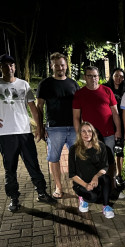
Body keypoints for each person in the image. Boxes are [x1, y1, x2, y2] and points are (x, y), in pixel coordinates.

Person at [0, 54, 56, 211]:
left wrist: (39, 127)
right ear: (0, 68)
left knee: (33, 164)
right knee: (10, 168)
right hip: (5, 134)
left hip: (24, 132)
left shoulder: (23, 84)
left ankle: (42, 192)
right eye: (5, 65)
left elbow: (33, 108)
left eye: (11, 65)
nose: (9, 68)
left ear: (15, 67)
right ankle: (14, 198)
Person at [36, 52, 80, 199]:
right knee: (54, 158)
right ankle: (58, 187)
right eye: (56, 65)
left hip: (73, 128)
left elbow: (80, 106)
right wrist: (40, 127)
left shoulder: (73, 84)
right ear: (51, 66)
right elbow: (39, 106)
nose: (60, 68)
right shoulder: (45, 84)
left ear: (66, 65)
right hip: (54, 128)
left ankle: (78, 186)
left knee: (76, 158)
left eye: (62, 65)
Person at [68, 122, 114, 218]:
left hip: (95, 180)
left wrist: (96, 176)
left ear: (93, 133)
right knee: (93, 197)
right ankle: (82, 199)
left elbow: (105, 167)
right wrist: (85, 185)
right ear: (79, 134)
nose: (86, 134)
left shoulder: (101, 146)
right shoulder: (73, 149)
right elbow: (72, 174)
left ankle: (106, 206)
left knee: (106, 178)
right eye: (83, 131)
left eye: (89, 131)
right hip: (81, 183)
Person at [72, 66, 122, 151]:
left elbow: (115, 113)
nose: (93, 78)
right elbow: (76, 117)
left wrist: (118, 130)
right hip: (90, 135)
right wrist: (79, 134)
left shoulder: (107, 91)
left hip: (108, 133)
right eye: (89, 76)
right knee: (91, 160)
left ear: (98, 77)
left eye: (95, 76)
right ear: (85, 77)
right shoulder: (79, 94)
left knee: (109, 160)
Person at [104, 67, 125, 196]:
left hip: (121, 125)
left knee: (119, 151)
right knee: (108, 151)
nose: (118, 78)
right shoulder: (106, 89)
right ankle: (109, 175)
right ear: (112, 76)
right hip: (108, 124)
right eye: (116, 76)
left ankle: (119, 175)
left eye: (121, 76)